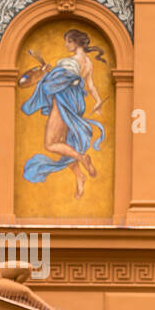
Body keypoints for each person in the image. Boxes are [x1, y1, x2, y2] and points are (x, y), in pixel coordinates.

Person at [19, 28, 106, 199]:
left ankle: (82, 158)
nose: (66, 45)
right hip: (75, 104)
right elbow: (90, 85)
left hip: (63, 103)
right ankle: (79, 177)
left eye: (68, 41)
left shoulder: (70, 62)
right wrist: (97, 102)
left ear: (75, 42)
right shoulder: (88, 63)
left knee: (50, 144)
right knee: (63, 144)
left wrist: (44, 74)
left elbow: (56, 83)